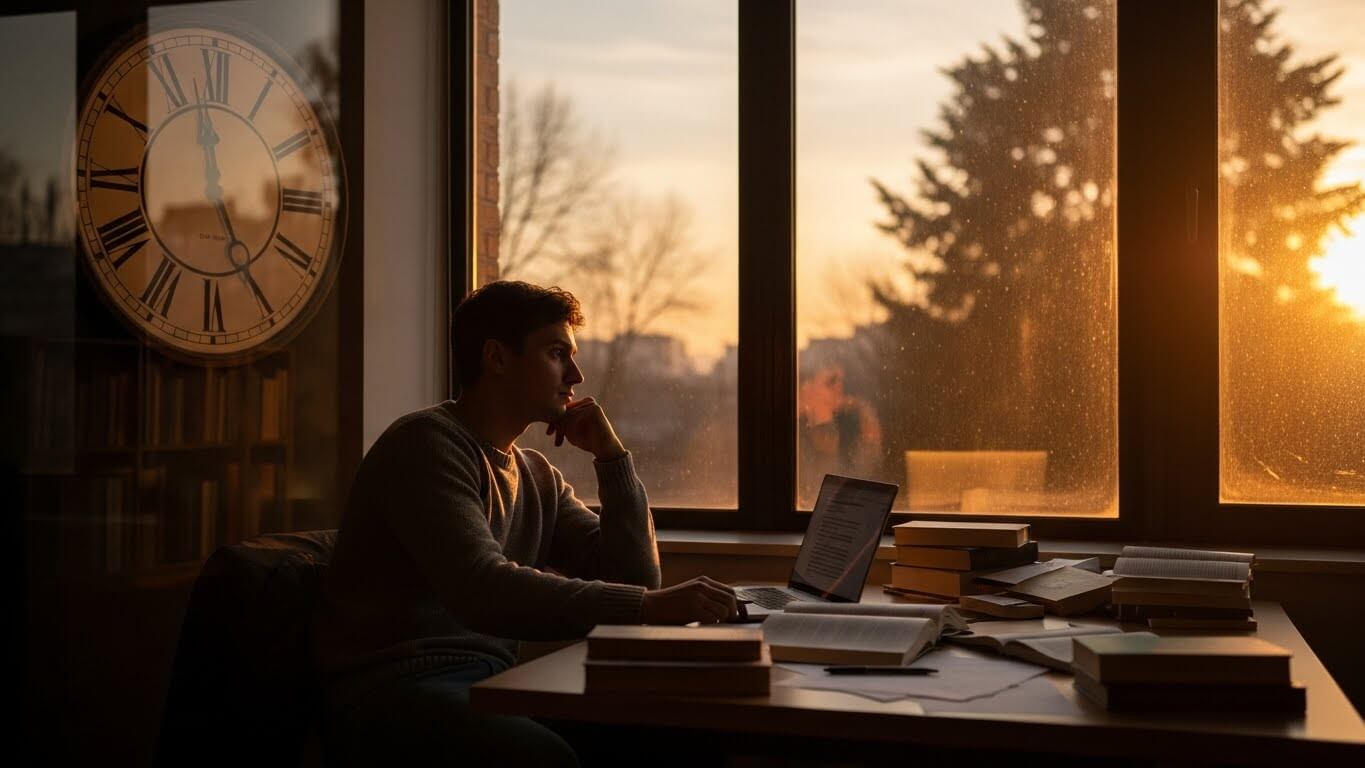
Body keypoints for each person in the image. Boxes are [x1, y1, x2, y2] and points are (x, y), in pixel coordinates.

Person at [312, 281, 739, 766]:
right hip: (393, 689)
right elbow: (481, 586)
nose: (575, 374)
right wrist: (646, 605)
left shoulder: (536, 476)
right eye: (557, 353)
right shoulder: (425, 446)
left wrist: (612, 458)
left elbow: (634, 579)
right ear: (496, 357)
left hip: (493, 681)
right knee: (544, 760)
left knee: (681, 734)